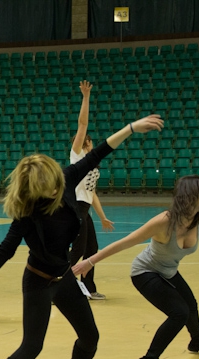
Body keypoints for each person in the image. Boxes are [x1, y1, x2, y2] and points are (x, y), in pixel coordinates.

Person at [0, 114, 164, 359]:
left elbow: (99, 151)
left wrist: (130, 128)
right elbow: (5, 250)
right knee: (32, 346)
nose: (60, 185)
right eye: (53, 184)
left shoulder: (65, 178)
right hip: (38, 282)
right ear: (38, 187)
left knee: (90, 336)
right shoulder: (27, 212)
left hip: (64, 278)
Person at [72, 175, 199, 359]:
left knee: (190, 305)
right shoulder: (164, 222)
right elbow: (125, 242)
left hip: (168, 271)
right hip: (145, 272)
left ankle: (198, 340)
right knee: (179, 313)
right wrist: (89, 262)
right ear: (192, 196)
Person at [69, 80, 114, 300]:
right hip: (75, 208)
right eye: (88, 140)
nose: (90, 142)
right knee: (78, 250)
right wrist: (86, 97)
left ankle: (87, 286)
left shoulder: (92, 165)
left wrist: (103, 217)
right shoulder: (77, 156)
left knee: (92, 248)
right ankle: (59, 281)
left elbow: (92, 193)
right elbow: (82, 124)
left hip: (84, 208)